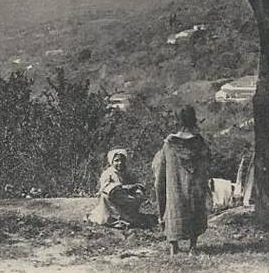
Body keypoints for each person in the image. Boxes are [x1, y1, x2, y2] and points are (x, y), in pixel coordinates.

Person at [152, 106, 211, 256]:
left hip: (175, 186)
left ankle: (174, 247)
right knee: (195, 207)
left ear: (178, 121)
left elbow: (161, 168)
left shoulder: (169, 144)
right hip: (194, 185)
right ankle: (193, 247)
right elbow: (206, 163)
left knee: (173, 207)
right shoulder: (200, 143)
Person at [86, 148, 148, 229]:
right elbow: (105, 187)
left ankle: (129, 217)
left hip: (126, 196)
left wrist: (137, 189)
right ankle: (113, 219)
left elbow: (136, 183)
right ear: (111, 162)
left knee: (138, 195)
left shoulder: (128, 173)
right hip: (114, 198)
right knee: (105, 197)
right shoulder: (108, 173)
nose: (120, 163)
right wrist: (119, 187)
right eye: (116, 160)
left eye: (122, 160)